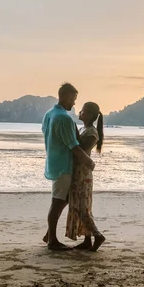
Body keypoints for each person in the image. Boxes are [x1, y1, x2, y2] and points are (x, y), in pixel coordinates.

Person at [42, 83, 95, 250]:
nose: (74, 103)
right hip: (64, 165)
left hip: (53, 162)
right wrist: (88, 161)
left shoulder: (49, 114)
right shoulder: (64, 118)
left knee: (63, 199)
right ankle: (52, 241)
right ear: (64, 96)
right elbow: (73, 146)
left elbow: (46, 134)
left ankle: (49, 234)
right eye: (73, 99)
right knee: (57, 202)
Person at [66, 102, 106, 252]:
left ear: (89, 114)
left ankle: (97, 235)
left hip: (83, 174)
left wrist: (73, 132)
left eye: (82, 111)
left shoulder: (92, 133)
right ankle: (87, 240)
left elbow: (81, 151)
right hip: (78, 172)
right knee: (80, 206)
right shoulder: (86, 129)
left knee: (81, 208)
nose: (80, 112)